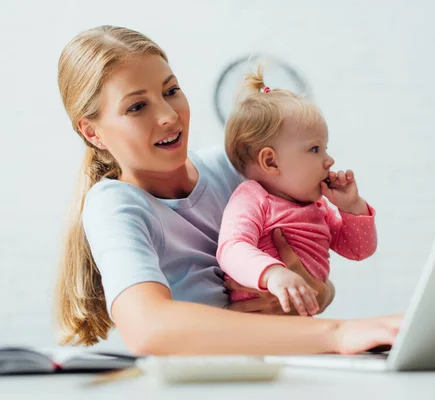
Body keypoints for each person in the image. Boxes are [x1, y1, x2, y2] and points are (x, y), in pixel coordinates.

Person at [54, 25, 400, 355]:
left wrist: (319, 292)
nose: (168, 116)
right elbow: (147, 328)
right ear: (93, 132)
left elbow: (317, 270)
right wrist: (337, 334)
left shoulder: (236, 167)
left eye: (171, 91)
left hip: (279, 365)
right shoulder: (114, 205)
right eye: (137, 106)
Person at [217, 67, 377, 317]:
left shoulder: (318, 208)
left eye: (325, 148)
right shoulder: (253, 198)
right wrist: (273, 273)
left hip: (297, 321)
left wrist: (351, 207)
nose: (329, 160)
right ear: (271, 162)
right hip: (256, 324)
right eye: (315, 149)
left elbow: (359, 250)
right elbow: (232, 247)